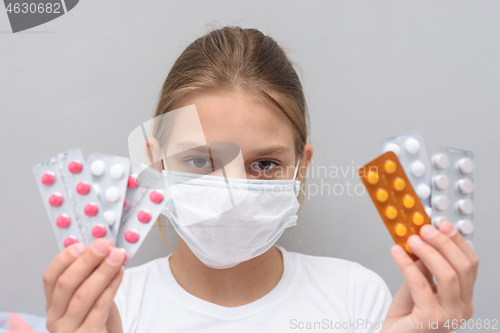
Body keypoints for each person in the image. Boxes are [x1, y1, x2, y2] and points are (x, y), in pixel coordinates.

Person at [42, 26, 478, 333]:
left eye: (265, 164)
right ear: (155, 164)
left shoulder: (356, 297)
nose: (231, 196)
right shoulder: (108, 308)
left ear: (301, 167)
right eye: (199, 162)